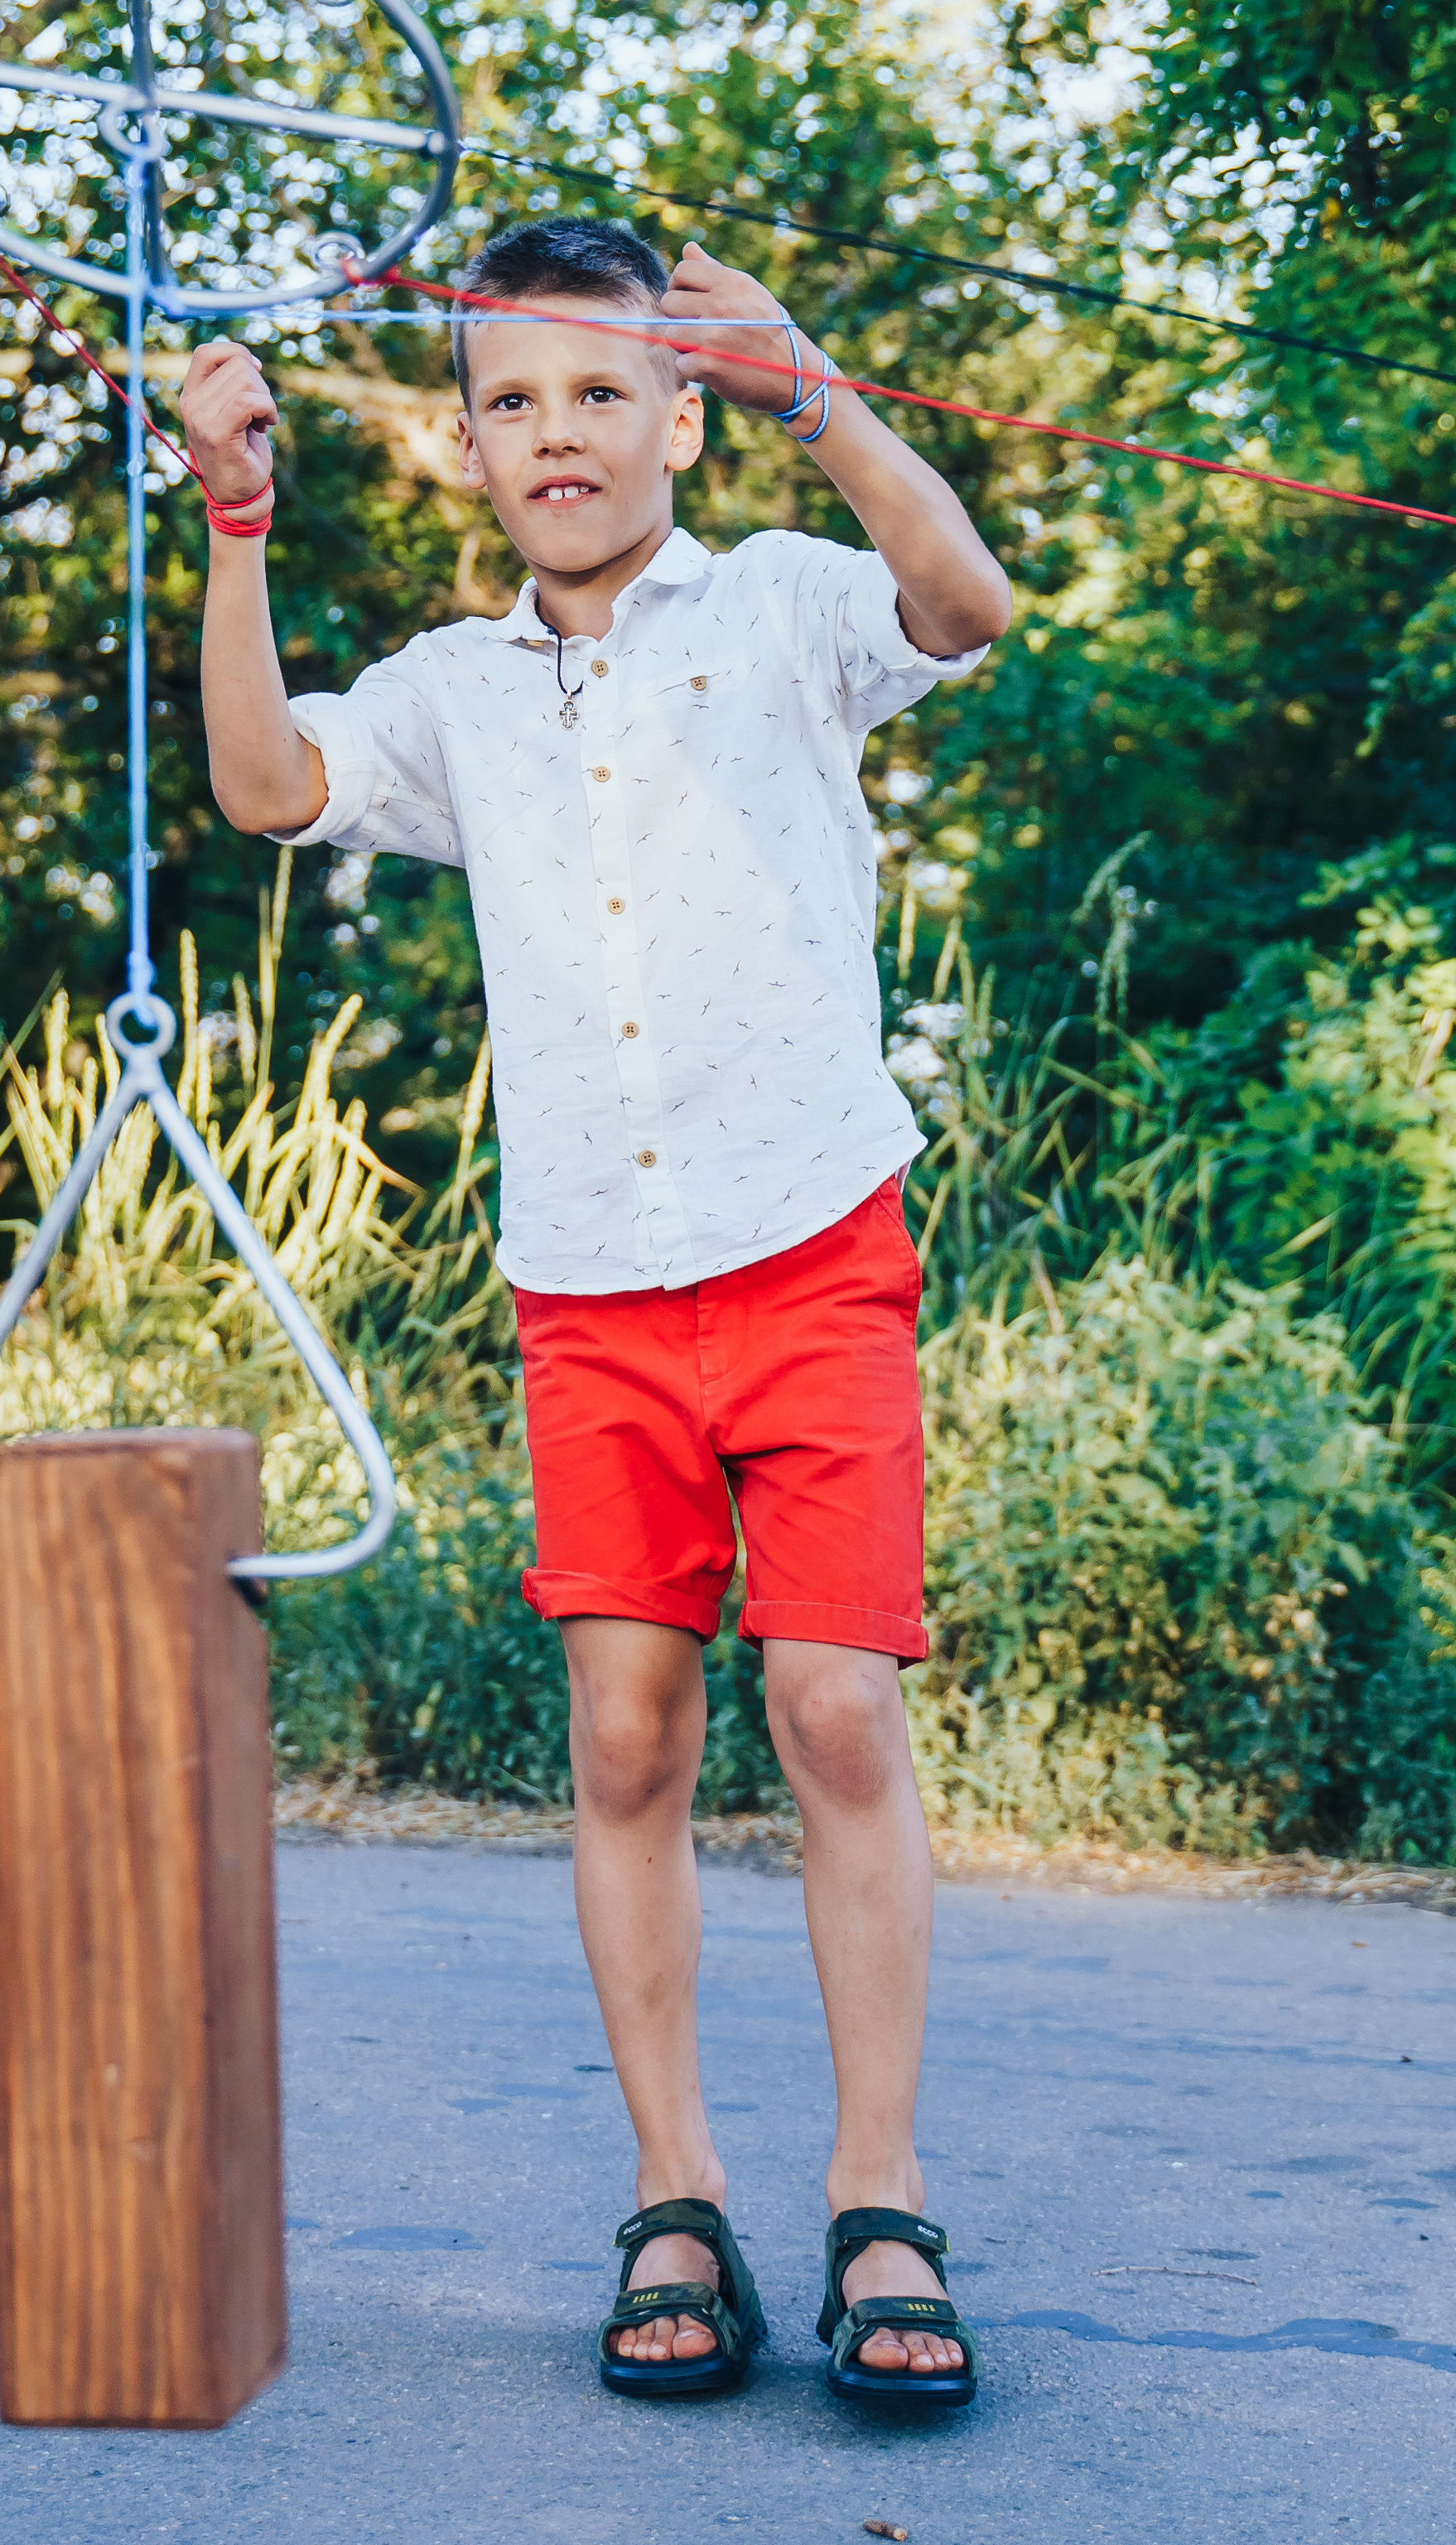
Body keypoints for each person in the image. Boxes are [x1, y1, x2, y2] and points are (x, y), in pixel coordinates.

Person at [185, 217, 1011, 2413]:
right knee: (630, 1735)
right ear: (467, 443)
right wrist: (236, 525)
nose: (558, 432)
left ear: (676, 416)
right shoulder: (455, 691)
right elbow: (265, 786)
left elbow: (966, 604)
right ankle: (676, 2197)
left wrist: (815, 386)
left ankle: (881, 2196)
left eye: (601, 390)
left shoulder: (786, 605)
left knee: (834, 1713)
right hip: (594, 1290)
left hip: (811, 1245)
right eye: (514, 400)